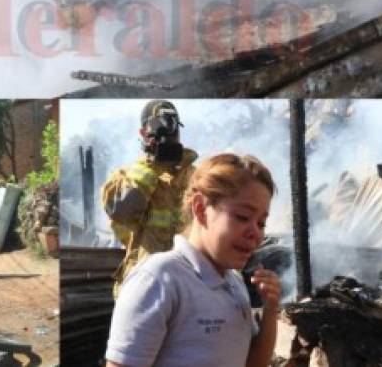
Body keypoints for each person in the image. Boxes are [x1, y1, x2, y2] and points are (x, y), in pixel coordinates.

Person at [105, 153, 281, 367]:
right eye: (243, 217)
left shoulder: (235, 284)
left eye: (261, 223)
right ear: (200, 208)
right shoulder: (159, 279)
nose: (256, 233)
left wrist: (270, 309)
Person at [102, 100, 198, 297]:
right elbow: (122, 211)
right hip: (143, 288)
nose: (167, 135)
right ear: (143, 133)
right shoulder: (125, 178)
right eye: (158, 127)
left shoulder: (198, 178)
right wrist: (152, 165)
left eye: (172, 127)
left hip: (188, 290)